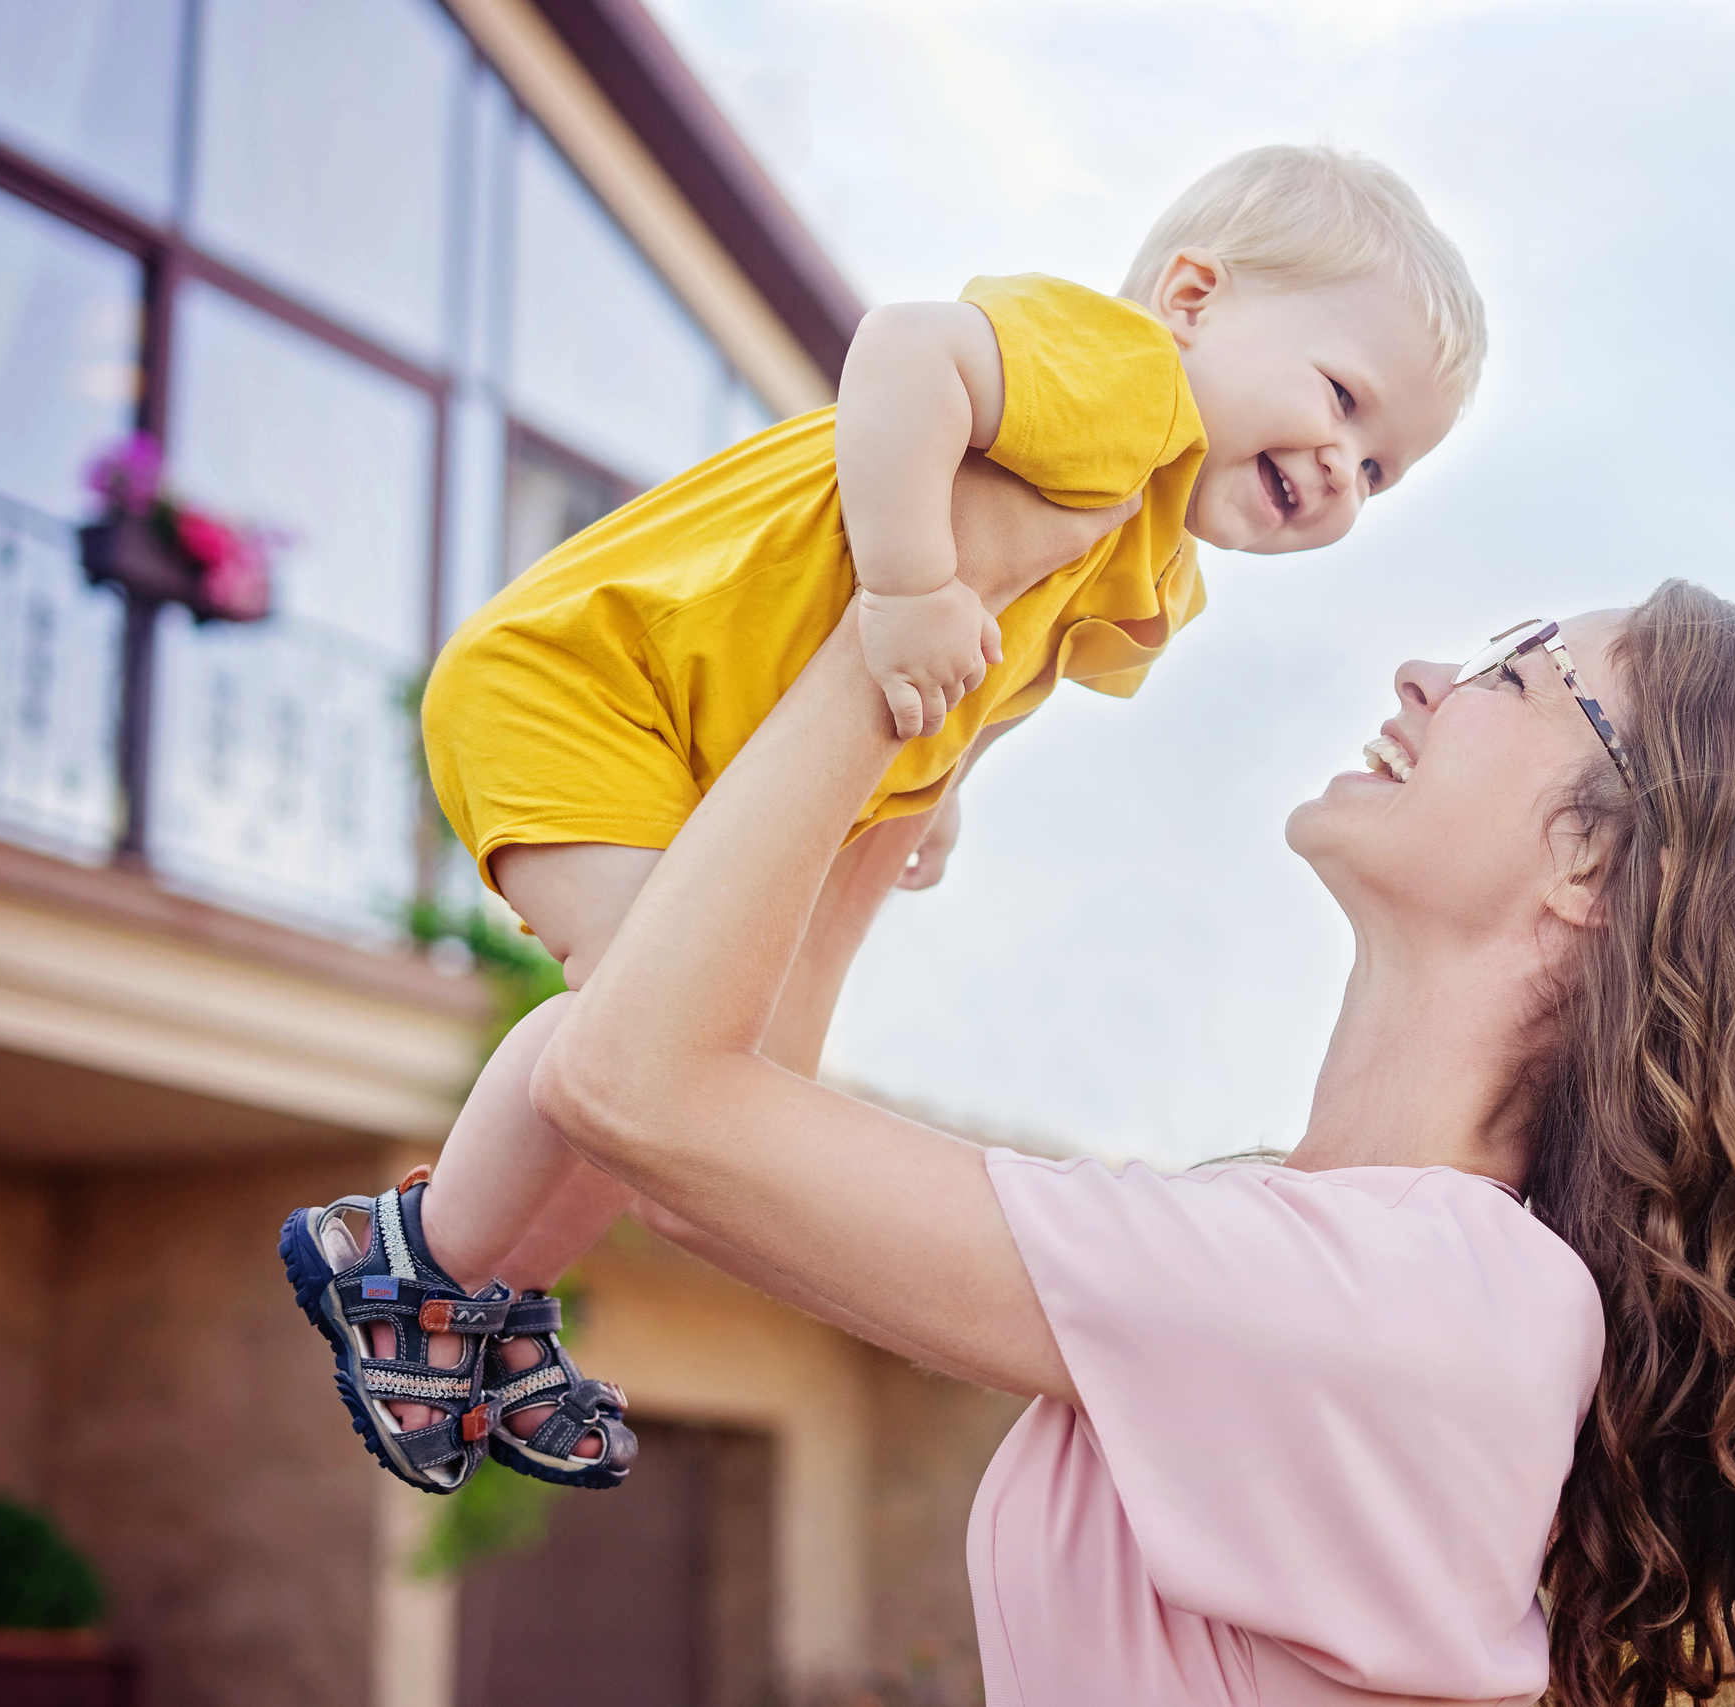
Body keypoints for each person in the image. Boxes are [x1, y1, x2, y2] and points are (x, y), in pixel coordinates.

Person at [518, 577, 1735, 1706]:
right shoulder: (1314, 1247)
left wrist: (900, 636)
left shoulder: (1428, 1302)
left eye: (1518, 676)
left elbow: (646, 1100)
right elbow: (699, 1163)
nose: (1424, 676)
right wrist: (904, 764)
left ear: (1593, 862)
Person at [276, 144, 1482, 1495]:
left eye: (1381, 470)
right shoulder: (1124, 379)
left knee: (693, 1073)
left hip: (695, 745)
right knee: (645, 1016)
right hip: (593, 681)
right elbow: (907, 351)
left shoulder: (1161, 559)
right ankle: (409, 1266)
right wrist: (907, 586)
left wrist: (944, 783)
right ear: (1194, 298)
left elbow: (1016, 665)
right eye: (1341, 399)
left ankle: (493, 1297)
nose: (1344, 468)